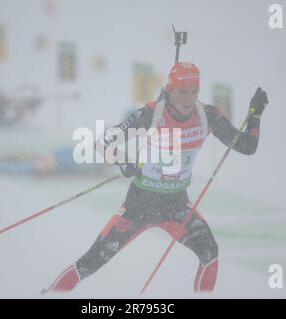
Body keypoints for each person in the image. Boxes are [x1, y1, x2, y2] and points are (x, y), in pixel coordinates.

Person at [48, 62, 268, 292]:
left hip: (176, 206)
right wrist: (123, 161)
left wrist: (255, 115)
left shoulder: (207, 116)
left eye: (194, 91)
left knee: (210, 253)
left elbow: (247, 146)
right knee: (90, 263)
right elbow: (103, 143)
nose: (188, 99)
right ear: (170, 90)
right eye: (182, 91)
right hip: (139, 205)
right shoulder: (151, 114)